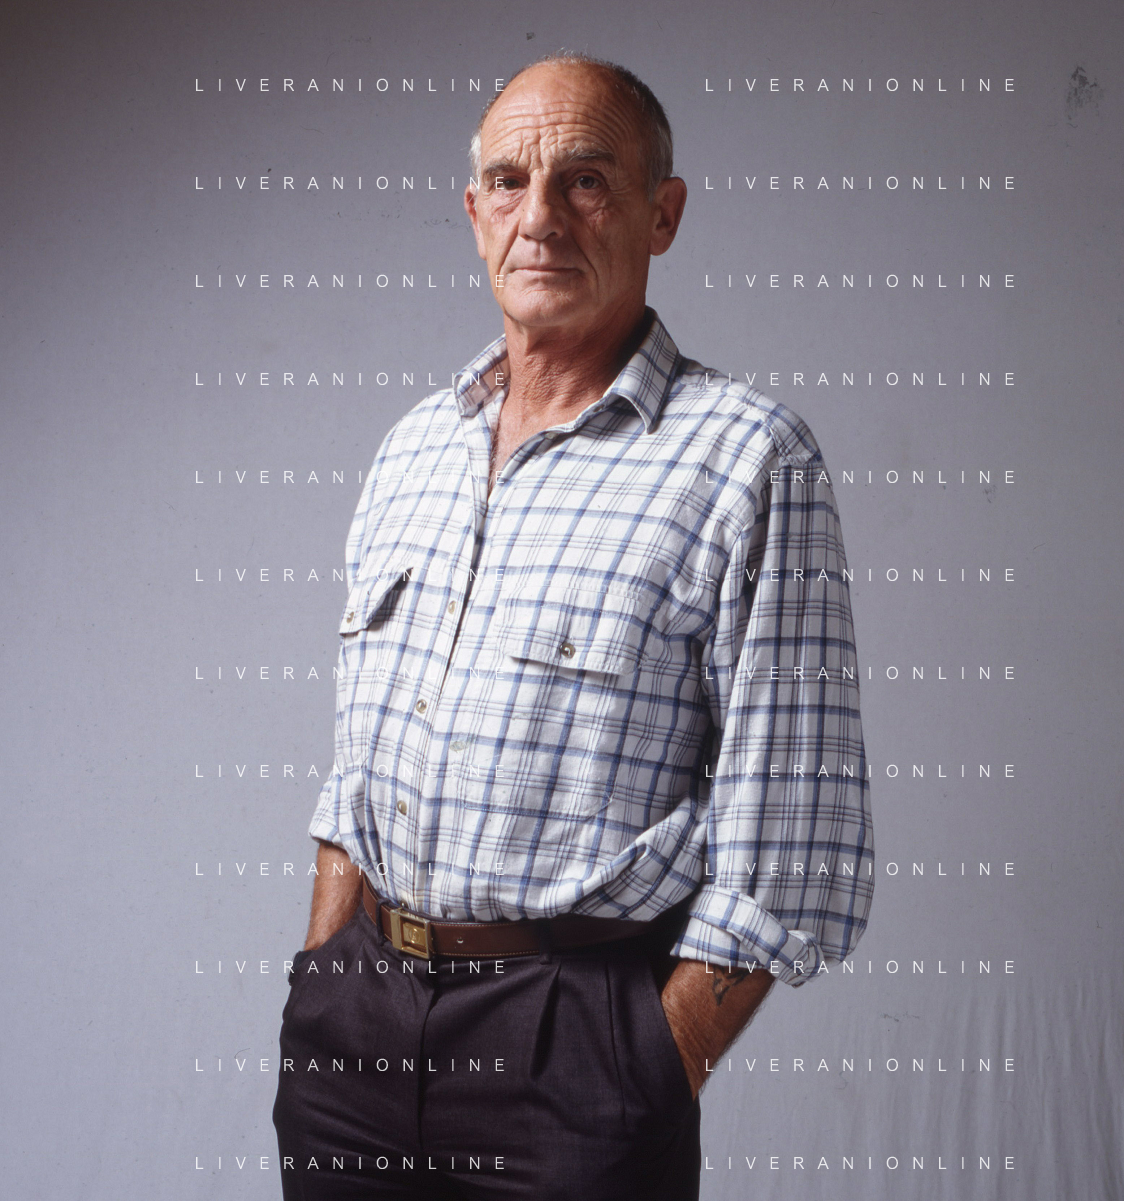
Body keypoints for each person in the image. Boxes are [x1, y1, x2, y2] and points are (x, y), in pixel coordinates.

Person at [272, 53, 873, 1201]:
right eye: (508, 181)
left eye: (585, 181)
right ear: (474, 213)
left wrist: (648, 1066)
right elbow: (355, 768)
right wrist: (321, 975)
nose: (539, 216)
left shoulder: (745, 458)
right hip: (355, 1029)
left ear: (662, 214)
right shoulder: (413, 448)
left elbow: (794, 840)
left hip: (574, 1044)